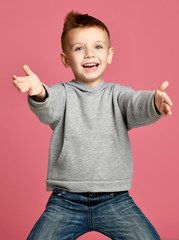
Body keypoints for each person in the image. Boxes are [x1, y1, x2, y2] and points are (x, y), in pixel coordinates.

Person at [13, 11, 173, 240]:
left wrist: (154, 103)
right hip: (65, 201)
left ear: (109, 54)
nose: (89, 54)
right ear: (65, 59)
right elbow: (48, 107)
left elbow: (135, 104)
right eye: (79, 48)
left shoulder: (118, 95)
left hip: (115, 200)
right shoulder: (62, 94)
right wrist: (39, 91)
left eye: (98, 47)